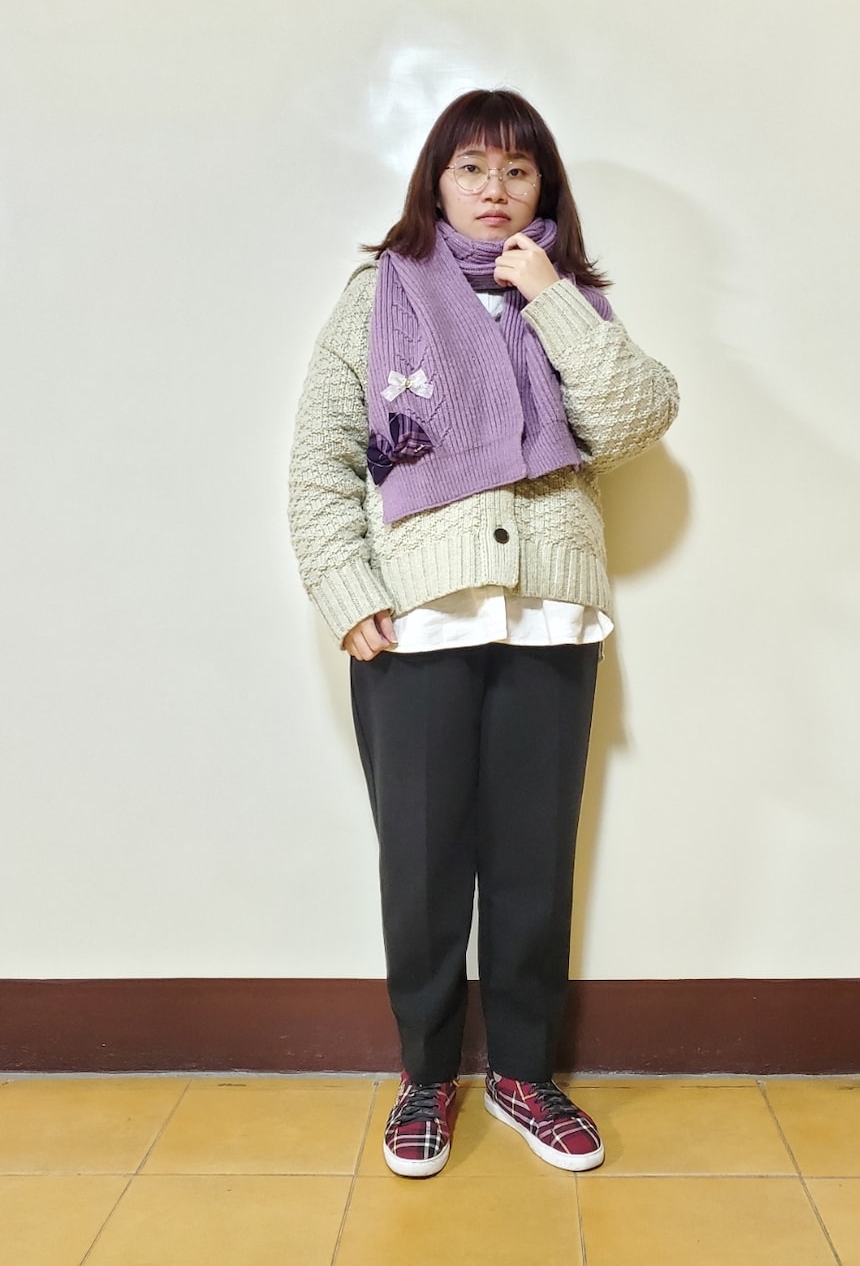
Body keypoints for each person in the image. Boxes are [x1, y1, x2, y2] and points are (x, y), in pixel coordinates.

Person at [289, 89, 678, 1177]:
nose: (494, 189)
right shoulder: (375, 297)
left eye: (517, 169)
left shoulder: (572, 299)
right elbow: (321, 459)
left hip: (549, 616)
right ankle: (424, 1079)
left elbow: (636, 418)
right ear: (437, 181)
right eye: (471, 167)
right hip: (415, 623)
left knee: (531, 865)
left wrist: (550, 296)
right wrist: (344, 588)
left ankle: (523, 1074)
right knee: (421, 866)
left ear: (542, 186)